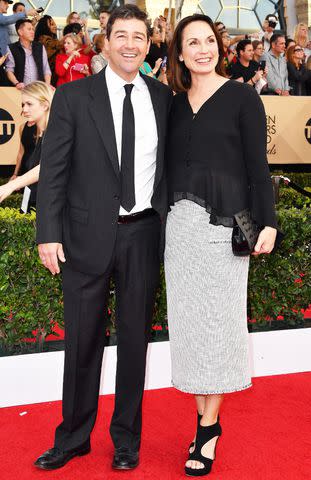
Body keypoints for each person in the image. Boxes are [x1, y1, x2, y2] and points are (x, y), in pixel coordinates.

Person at [34, 4, 172, 472]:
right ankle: (73, 437)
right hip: (84, 237)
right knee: (82, 341)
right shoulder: (73, 97)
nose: (131, 44)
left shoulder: (162, 97)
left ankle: (126, 439)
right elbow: (53, 173)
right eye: (122, 35)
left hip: (142, 235)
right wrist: (48, 233)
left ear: (148, 43)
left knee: (136, 341)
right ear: (106, 41)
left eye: (139, 36)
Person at [165, 14, 277, 477]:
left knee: (219, 326)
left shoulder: (241, 98)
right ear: (180, 53)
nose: (202, 49)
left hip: (224, 227)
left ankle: (208, 427)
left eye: (208, 40)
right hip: (178, 230)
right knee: (190, 327)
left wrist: (267, 223)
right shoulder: (171, 103)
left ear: (219, 45)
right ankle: (202, 418)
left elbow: (257, 167)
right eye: (192, 43)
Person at [0, 81, 54, 209]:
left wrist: (12, 185)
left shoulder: (56, 133)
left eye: (29, 104)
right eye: (23, 104)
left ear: (45, 105)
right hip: (32, 196)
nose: (24, 109)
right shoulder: (42, 134)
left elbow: (47, 166)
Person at [6, 18, 51, 88]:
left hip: (38, 90)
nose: (32, 32)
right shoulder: (12, 48)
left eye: (33, 29)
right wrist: (17, 83)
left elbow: (46, 69)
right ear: (20, 32)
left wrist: (47, 86)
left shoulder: (40, 47)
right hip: (21, 90)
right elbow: (9, 70)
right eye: (29, 29)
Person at [34, 15, 62, 87]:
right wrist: (67, 38)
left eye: (54, 24)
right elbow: (57, 45)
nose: (55, 26)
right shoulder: (43, 39)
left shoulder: (53, 39)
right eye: (51, 24)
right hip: (47, 76)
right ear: (44, 27)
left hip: (54, 75)